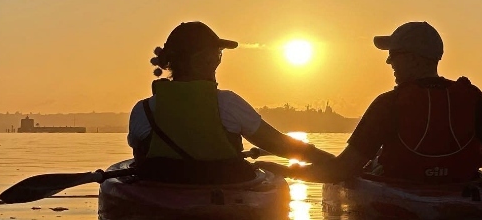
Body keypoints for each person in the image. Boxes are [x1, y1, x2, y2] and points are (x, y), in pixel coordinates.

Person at [258, 21, 482, 184]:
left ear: (414, 59)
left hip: (399, 191)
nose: (389, 63)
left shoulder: (389, 104)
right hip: (464, 190)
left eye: (394, 55)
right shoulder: (472, 95)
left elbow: (342, 170)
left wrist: (286, 170)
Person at [127, 21, 334, 183]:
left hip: (161, 194)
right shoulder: (227, 104)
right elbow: (280, 145)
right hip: (224, 195)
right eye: (216, 55)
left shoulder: (142, 111)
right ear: (201, 61)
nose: (217, 62)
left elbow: (141, 161)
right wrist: (334, 163)